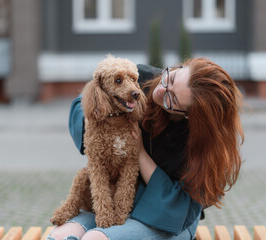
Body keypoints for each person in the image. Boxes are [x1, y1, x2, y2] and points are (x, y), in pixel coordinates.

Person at [47, 57, 244, 240]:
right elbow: (82, 106)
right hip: (116, 197)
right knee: (62, 236)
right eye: (172, 77)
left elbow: (176, 208)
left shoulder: (205, 146)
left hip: (168, 218)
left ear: (191, 116)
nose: (161, 90)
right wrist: (103, 129)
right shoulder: (141, 78)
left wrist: (139, 152)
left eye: (172, 99)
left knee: (95, 238)